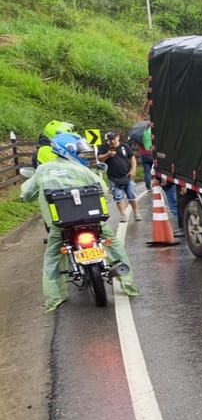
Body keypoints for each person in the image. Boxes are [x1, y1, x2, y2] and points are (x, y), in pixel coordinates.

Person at [20, 132, 139, 311]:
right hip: (93, 220)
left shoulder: (43, 169)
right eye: (80, 152)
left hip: (60, 225)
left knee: (53, 257)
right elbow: (103, 188)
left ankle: (55, 298)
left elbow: (27, 193)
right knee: (114, 246)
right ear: (71, 151)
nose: (82, 155)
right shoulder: (83, 170)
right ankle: (128, 283)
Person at [97, 130, 141, 221]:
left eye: (113, 139)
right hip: (113, 177)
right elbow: (100, 158)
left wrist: (133, 169)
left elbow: (132, 157)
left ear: (117, 138)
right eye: (110, 139)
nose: (112, 141)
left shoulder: (124, 146)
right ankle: (123, 214)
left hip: (127, 175)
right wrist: (108, 154)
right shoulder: (104, 147)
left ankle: (136, 212)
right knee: (118, 196)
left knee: (131, 195)